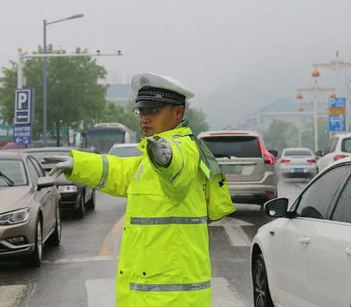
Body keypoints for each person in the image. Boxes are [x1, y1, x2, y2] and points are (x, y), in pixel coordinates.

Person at [44, 71, 235, 306]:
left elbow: (178, 167)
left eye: (153, 111)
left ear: (178, 112)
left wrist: (166, 159)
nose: (144, 118)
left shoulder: (184, 147)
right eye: (141, 111)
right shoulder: (148, 156)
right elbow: (120, 171)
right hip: (148, 292)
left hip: (173, 298)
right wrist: (79, 164)